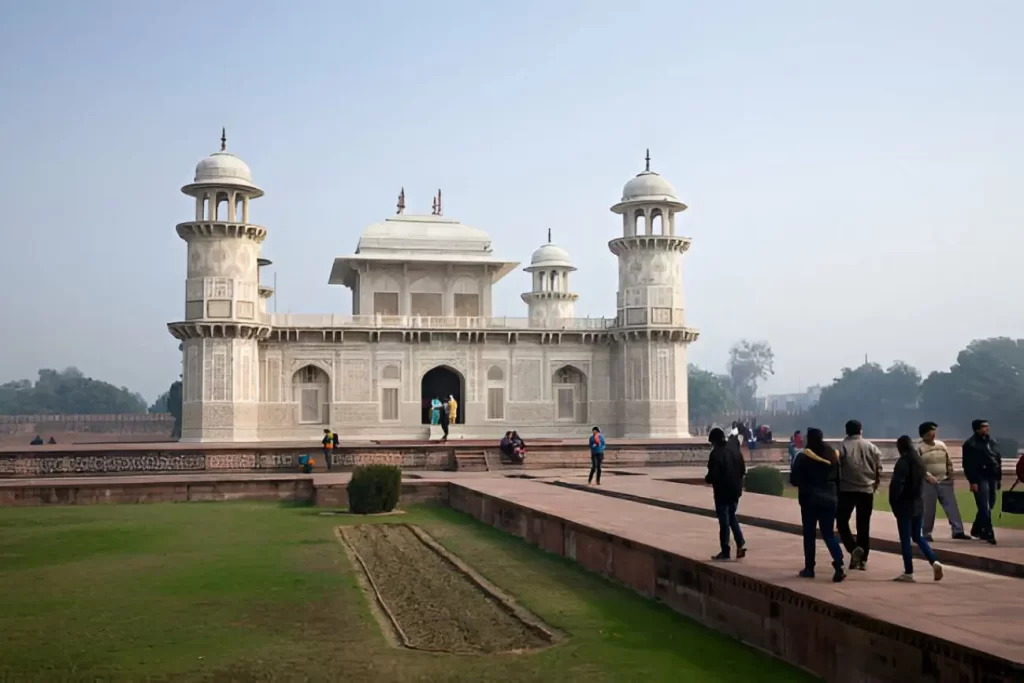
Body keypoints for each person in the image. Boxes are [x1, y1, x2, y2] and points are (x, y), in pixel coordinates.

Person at [790, 428, 846, 582]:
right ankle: (839, 563)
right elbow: (838, 480)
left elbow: (794, 479)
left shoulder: (803, 456)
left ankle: (810, 568)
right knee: (828, 533)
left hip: (810, 500)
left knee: (809, 534)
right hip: (830, 499)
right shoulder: (832, 455)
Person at [890, 435, 944, 582]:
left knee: (905, 540)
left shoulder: (903, 463)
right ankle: (934, 561)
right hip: (918, 504)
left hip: (904, 505)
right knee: (918, 537)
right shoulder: (918, 461)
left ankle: (908, 572)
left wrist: (894, 504)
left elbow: (896, 486)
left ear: (900, 447)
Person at [837, 419, 881, 571]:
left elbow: (837, 469)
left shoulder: (842, 447)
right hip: (866, 490)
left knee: (841, 522)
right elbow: (878, 469)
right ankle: (862, 559)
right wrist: (875, 485)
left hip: (847, 489)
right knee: (863, 525)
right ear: (860, 430)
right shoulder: (871, 447)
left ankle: (853, 548)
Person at [917, 421, 969, 541]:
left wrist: (951, 473)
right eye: (930, 431)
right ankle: (926, 533)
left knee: (952, 507)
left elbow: (948, 460)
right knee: (928, 509)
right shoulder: (919, 447)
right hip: (928, 482)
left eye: (934, 431)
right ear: (924, 433)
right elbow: (918, 465)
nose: (933, 433)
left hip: (944, 479)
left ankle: (958, 530)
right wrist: (927, 476)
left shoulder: (941, 445)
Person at [705, 427, 747, 560]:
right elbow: (742, 469)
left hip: (722, 491)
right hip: (735, 490)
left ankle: (725, 551)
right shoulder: (735, 450)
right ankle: (740, 543)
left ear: (714, 441)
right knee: (731, 516)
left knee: (724, 522)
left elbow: (714, 475)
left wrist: (708, 479)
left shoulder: (716, 454)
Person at [962, 419, 1002, 545]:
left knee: (991, 503)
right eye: (984, 427)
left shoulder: (992, 441)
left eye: (987, 426)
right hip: (979, 477)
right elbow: (968, 465)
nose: (987, 429)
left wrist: (999, 477)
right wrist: (972, 481)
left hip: (992, 476)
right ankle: (989, 533)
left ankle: (977, 529)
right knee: (984, 505)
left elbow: (997, 458)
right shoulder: (970, 444)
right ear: (977, 429)